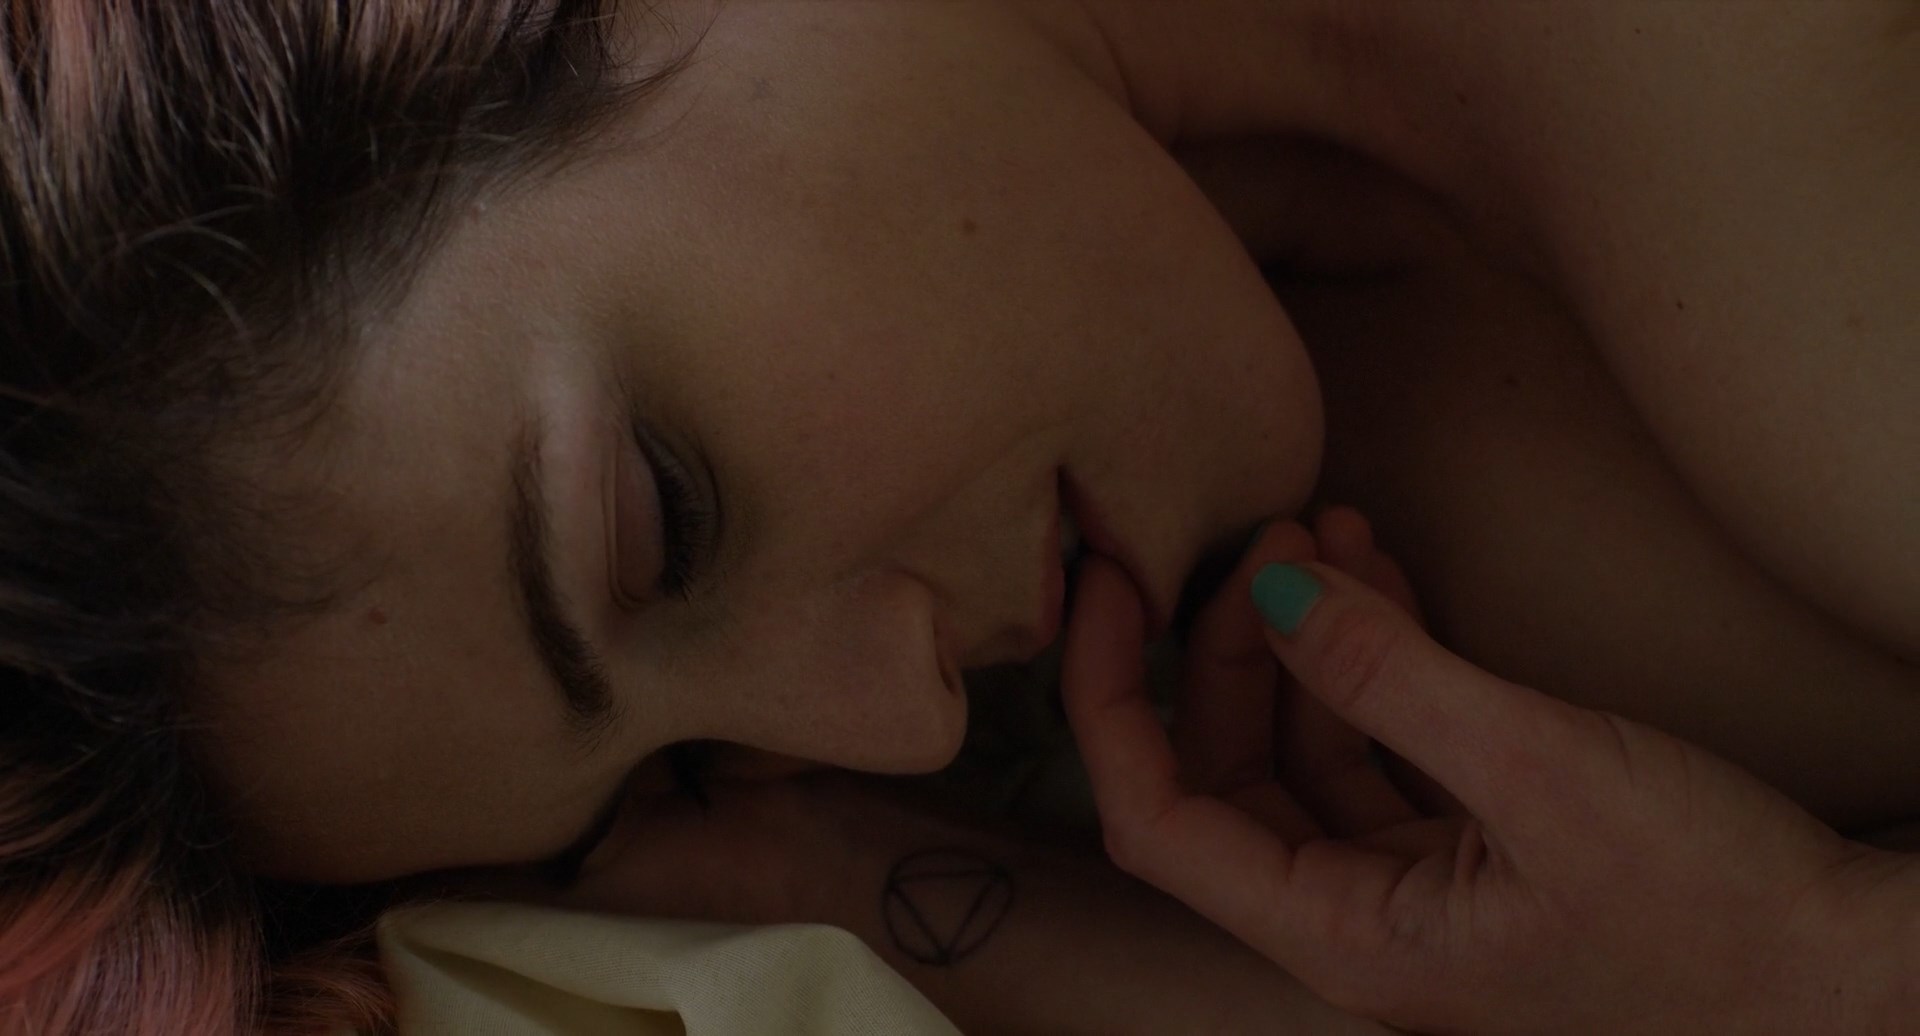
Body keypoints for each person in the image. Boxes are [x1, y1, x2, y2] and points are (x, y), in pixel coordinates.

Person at [1, 0, 1912, 1032]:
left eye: (672, 518)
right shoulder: (1303, 638)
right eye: (678, 767)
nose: (907, 728)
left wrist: (1828, 976)